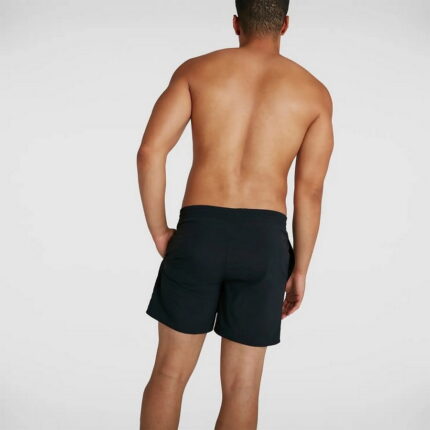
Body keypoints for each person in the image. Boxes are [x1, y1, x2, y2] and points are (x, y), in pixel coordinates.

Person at [136, 0, 333, 428]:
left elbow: (150, 152)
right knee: (243, 387)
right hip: (263, 242)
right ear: (285, 25)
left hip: (199, 233)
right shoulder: (313, 92)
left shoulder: (197, 71)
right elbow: (310, 191)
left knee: (169, 374)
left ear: (235, 23)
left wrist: (159, 231)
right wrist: (300, 269)